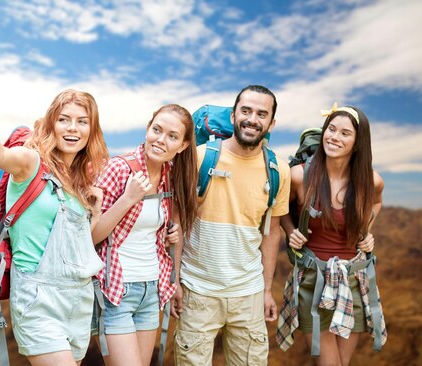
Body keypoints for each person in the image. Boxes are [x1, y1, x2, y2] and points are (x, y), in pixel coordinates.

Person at [0, 89, 108, 366]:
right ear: (51, 124)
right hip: (38, 300)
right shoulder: (30, 163)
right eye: (63, 119)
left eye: (82, 121)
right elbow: (0, 153)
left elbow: (81, 245)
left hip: (79, 300)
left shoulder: (79, 181)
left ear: (91, 130)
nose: (72, 128)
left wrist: (94, 211)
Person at [172, 85, 291, 365]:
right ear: (234, 114)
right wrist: (174, 281)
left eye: (262, 114)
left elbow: (272, 234)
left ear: (271, 123)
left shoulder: (278, 171)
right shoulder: (199, 158)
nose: (252, 119)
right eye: (246, 111)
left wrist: (265, 290)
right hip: (197, 290)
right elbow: (176, 220)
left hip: (247, 294)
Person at [277, 103, 386, 366]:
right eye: (331, 129)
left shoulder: (370, 181)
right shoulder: (300, 176)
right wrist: (291, 231)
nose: (334, 137)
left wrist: (366, 231)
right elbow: (280, 210)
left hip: (355, 280)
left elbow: (376, 202)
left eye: (345, 133)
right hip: (314, 280)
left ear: (358, 143)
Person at [91, 104, 198, 366]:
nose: (160, 140)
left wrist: (175, 282)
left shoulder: (170, 176)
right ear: (148, 128)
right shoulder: (118, 169)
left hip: (152, 289)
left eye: (172, 136)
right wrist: (128, 198)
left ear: (182, 146)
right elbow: (91, 236)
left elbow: (174, 228)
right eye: (157, 130)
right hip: (116, 291)